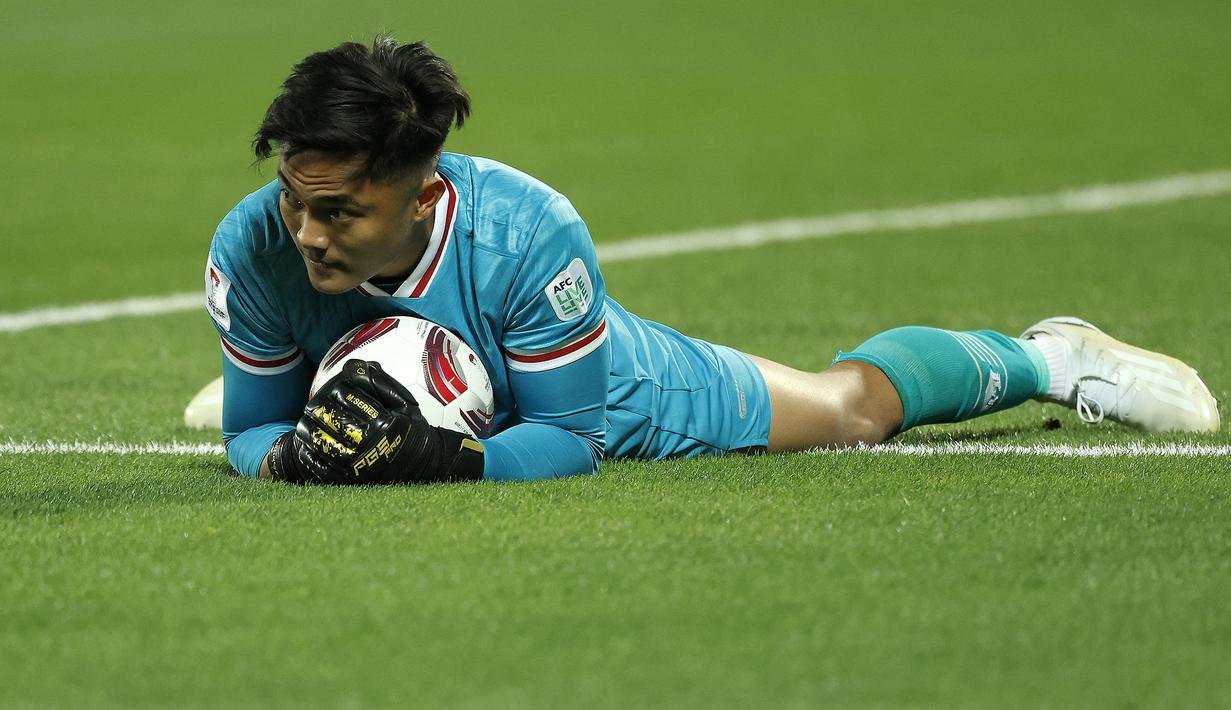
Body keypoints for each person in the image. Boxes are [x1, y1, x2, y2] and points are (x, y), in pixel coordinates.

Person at [202, 36, 1219, 484]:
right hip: (435, 387)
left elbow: (565, 436)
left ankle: (1053, 357)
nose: (306, 233)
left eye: (339, 211)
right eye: (295, 201)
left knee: (845, 413)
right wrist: (297, 452)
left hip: (601, 390)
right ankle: (346, 379)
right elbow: (251, 435)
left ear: (422, 191)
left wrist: (449, 460)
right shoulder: (254, 245)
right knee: (277, 396)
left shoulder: (528, 237)